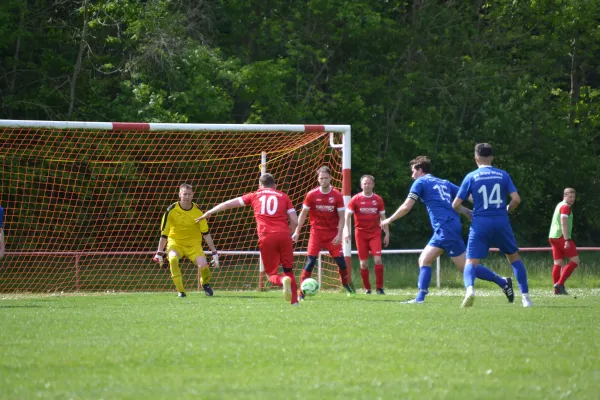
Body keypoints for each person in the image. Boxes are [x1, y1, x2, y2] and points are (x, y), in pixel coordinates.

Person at [381, 156, 514, 304]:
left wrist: (389, 220)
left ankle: (503, 282)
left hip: (445, 227)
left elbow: (406, 206)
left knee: (465, 267)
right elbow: (467, 197)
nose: (412, 175)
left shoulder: (421, 182)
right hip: (446, 227)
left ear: (420, 170)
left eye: (413, 171)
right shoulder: (443, 182)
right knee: (424, 260)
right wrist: (471, 210)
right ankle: (420, 298)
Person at [195, 173, 300, 305]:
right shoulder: (284, 196)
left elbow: (228, 204)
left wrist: (209, 212)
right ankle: (295, 302)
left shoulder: (255, 195)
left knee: (271, 275)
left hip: (266, 236)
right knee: (288, 270)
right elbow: (295, 221)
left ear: (259, 186)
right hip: (284, 235)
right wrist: (289, 234)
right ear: (275, 186)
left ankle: (281, 281)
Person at [452, 143, 532, 307]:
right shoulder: (502, 175)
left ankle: (470, 290)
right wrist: (507, 209)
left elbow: (455, 204)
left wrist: (467, 212)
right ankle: (526, 298)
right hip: (501, 221)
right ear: (492, 158)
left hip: (480, 222)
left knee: (471, 262)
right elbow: (516, 199)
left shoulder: (471, 177)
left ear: (476, 158)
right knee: (514, 258)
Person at [292, 166, 355, 299]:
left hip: (332, 234)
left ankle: (346, 285)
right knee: (310, 263)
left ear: (331, 178)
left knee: (342, 263)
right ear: (318, 179)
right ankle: (301, 294)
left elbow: (342, 217)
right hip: (316, 234)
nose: (324, 180)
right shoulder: (311, 195)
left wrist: (339, 234)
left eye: (326, 178)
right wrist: (297, 231)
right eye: (321, 178)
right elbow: (303, 214)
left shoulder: (337, 195)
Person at [153, 184, 219, 298]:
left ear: (193, 195)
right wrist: (159, 252)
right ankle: (181, 291)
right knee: (173, 259)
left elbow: (206, 233)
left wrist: (214, 252)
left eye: (189, 194)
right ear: (179, 194)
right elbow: (164, 233)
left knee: (204, 266)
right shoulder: (171, 210)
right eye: (184, 194)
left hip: (194, 245)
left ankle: (205, 283)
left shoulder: (198, 211)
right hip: (175, 243)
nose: (187, 197)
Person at [344, 175, 389, 294]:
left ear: (373, 185)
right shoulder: (355, 199)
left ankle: (379, 288)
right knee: (363, 264)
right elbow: (347, 216)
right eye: (364, 183)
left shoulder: (378, 199)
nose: (367, 185)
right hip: (360, 234)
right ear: (361, 185)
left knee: (378, 260)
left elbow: (383, 218)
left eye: (369, 183)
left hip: (375, 233)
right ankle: (367, 288)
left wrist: (387, 233)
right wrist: (347, 231)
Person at [549, 188, 579, 295]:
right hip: (562, 236)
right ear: (564, 196)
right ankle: (560, 284)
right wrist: (567, 240)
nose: (572, 199)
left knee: (558, 263)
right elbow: (563, 223)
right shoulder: (565, 207)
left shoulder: (559, 205)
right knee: (575, 261)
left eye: (573, 197)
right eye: (570, 197)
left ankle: (557, 291)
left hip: (552, 236)